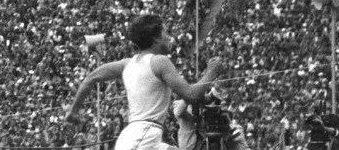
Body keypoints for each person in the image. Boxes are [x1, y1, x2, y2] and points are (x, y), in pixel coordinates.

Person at [65, 14, 224, 150]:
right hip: (143, 137)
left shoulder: (127, 64)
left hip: (141, 136)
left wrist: (73, 112)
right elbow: (191, 95)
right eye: (165, 33)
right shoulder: (160, 62)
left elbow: (90, 78)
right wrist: (211, 72)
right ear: (155, 38)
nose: (169, 37)